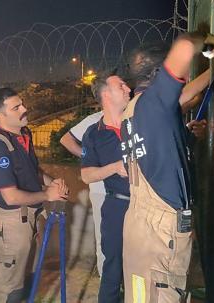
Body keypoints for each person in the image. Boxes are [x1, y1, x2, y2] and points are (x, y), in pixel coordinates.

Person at [120, 32, 214, 302]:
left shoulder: (132, 112)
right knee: (162, 293)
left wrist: (185, 137)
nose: (184, 77)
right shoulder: (153, 102)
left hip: (140, 227)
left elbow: (185, 99)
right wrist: (211, 46)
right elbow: (187, 44)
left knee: (141, 295)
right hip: (160, 231)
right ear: (157, 73)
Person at [0, 87, 69, 302]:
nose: (25, 108)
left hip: (31, 218)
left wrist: (53, 184)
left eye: (22, 104)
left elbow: (32, 172)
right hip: (11, 224)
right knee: (9, 290)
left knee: (28, 281)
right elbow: (10, 197)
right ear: (0, 115)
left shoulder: (24, 134)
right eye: (17, 107)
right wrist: (47, 195)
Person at [80, 71, 131, 302]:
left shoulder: (140, 122)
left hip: (148, 206)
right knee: (112, 270)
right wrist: (114, 167)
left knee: (142, 268)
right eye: (121, 85)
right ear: (106, 95)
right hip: (117, 207)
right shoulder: (94, 134)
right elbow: (87, 175)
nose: (128, 88)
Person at [60, 111, 107, 276]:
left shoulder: (131, 116)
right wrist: (89, 158)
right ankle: (106, 281)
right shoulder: (95, 120)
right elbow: (66, 139)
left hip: (130, 191)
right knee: (105, 240)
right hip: (101, 191)